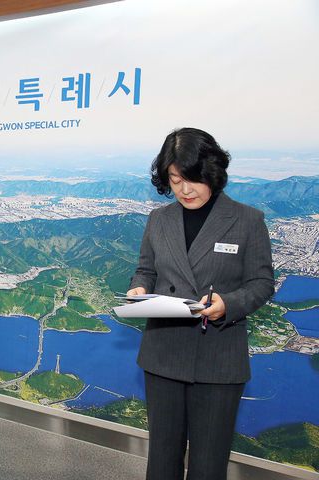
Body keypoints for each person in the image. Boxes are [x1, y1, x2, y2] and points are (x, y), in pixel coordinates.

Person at [126, 127, 274, 480]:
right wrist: (138, 289)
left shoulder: (247, 220)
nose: (184, 190)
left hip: (218, 358)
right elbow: (145, 270)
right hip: (163, 354)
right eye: (175, 180)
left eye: (192, 179)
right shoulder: (159, 220)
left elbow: (262, 283)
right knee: (162, 461)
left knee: (208, 466)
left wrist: (228, 303)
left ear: (212, 173)